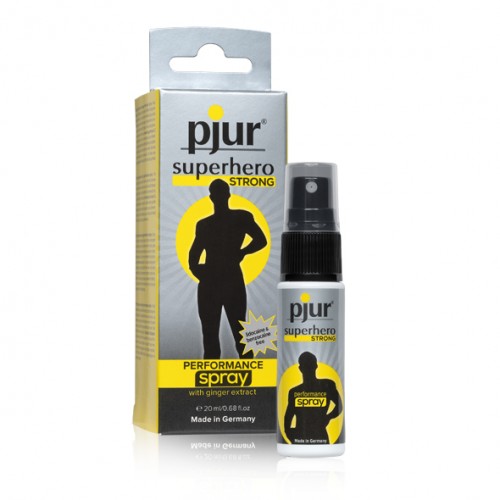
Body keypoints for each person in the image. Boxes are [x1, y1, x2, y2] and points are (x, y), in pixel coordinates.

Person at [189, 179, 267, 359]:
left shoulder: (240, 217)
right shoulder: (205, 224)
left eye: (221, 193)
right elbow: (193, 255)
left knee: (239, 334)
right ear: (213, 197)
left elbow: (261, 240)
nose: (220, 197)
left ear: (226, 195)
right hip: (214, 281)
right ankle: (214, 375)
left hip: (228, 280)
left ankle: (248, 374)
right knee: (212, 336)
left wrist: (242, 252)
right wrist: (200, 273)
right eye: (218, 194)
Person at [284, 351, 343, 444]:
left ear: (316, 366)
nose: (308, 368)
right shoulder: (294, 391)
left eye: (310, 365)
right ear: (300, 368)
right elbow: (288, 417)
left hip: (320, 435)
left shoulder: (327, 385)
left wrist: (327, 418)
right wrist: (290, 434)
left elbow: (339, 406)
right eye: (306, 365)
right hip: (301, 435)